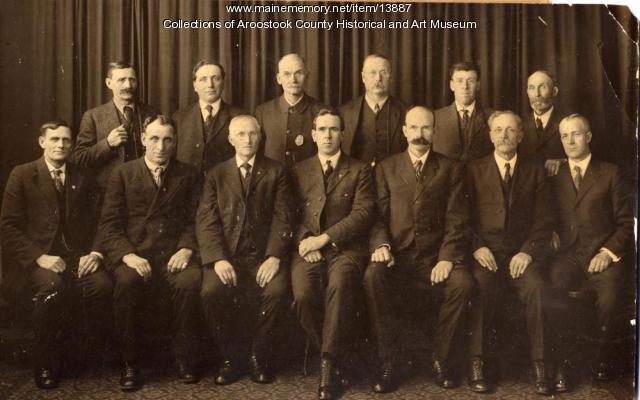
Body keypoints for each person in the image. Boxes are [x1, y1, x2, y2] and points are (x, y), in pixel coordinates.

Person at [363, 106, 473, 393]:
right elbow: (377, 217)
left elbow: (458, 219)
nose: (419, 135)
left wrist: (447, 258)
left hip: (435, 258)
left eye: (425, 129)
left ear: (434, 131)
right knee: (373, 276)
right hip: (398, 257)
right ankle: (390, 360)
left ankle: (440, 357)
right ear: (404, 131)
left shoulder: (451, 168)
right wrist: (382, 246)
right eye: (413, 128)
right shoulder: (386, 167)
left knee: (462, 284)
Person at [0, 120, 111, 389]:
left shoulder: (83, 175)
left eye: (66, 140)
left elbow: (102, 222)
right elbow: (8, 225)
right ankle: (45, 363)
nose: (61, 145)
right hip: (37, 261)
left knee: (101, 285)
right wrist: (40, 257)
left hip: (76, 257)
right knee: (53, 288)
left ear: (72, 144)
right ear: (42, 142)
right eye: (54, 139)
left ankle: (75, 356)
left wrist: (95, 253)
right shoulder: (23, 174)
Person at [98, 115, 202, 391]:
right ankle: (130, 362)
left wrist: (186, 249)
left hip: (172, 254)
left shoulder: (189, 174)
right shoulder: (122, 174)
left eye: (168, 139)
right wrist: (127, 255)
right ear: (143, 139)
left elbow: (195, 220)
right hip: (134, 253)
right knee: (127, 282)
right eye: (154, 138)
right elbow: (109, 224)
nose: (160, 146)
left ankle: (184, 358)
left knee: (190, 282)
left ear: (176, 142)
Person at [197, 115, 294, 385]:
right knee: (210, 291)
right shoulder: (215, 174)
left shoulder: (277, 171)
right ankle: (231, 357)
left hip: (264, 256)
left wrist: (274, 256)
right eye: (240, 134)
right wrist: (217, 259)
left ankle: (258, 356)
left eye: (252, 134)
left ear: (261, 137)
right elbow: (206, 220)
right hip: (227, 256)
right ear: (230, 139)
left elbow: (284, 217)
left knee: (276, 291)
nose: (247, 140)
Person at [291, 108, 375, 400]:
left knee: (339, 287)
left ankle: (327, 364)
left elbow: (363, 213)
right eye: (322, 129)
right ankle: (337, 357)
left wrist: (324, 240)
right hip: (308, 250)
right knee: (302, 295)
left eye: (334, 129)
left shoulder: (360, 169)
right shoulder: (299, 169)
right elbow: (292, 213)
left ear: (343, 133)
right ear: (313, 134)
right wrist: (305, 241)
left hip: (346, 249)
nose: (328, 135)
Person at [466, 111, 553, 395]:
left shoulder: (535, 170)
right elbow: (461, 219)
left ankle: (542, 364)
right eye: (498, 130)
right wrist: (477, 245)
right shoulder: (473, 169)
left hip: (521, 255)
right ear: (490, 135)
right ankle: (477, 363)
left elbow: (544, 221)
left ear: (521, 135)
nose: (504, 135)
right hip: (486, 255)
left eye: (510, 130)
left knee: (537, 288)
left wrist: (527, 252)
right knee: (479, 286)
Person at [547, 114, 633, 390]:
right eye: (564, 136)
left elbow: (625, 224)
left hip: (602, 253)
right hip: (569, 255)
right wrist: (550, 234)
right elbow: (544, 214)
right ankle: (563, 364)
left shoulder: (610, 172)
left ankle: (602, 360)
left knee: (608, 299)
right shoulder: (554, 173)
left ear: (589, 136)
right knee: (552, 289)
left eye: (576, 134)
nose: (570, 141)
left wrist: (607, 252)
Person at [71, 61, 158, 191]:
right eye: (121, 80)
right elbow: (79, 159)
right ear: (109, 83)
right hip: (109, 192)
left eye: (132, 80)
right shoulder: (93, 116)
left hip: (146, 189)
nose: (128, 85)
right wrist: (107, 144)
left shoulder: (152, 113)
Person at [172, 60, 245, 173]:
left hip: (223, 185)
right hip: (188, 187)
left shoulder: (239, 116)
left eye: (215, 78)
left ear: (223, 83)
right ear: (195, 85)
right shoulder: (179, 117)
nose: (210, 85)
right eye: (203, 79)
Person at [255, 53, 327, 168]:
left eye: (298, 73)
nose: (293, 80)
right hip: (273, 183)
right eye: (287, 74)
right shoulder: (263, 112)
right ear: (279, 79)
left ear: (307, 75)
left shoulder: (322, 111)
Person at [339, 54, 406, 165]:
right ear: (363, 77)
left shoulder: (406, 112)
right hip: (357, 180)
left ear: (391, 77)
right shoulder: (344, 112)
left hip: (393, 180)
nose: (378, 78)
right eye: (373, 73)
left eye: (383, 72)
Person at [433, 62, 493, 162]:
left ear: (478, 85)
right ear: (452, 85)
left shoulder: (492, 116)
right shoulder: (436, 117)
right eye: (459, 81)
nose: (465, 86)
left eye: (470, 81)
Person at [519, 70, 567, 176]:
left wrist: (563, 162)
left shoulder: (567, 122)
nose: (537, 94)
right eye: (532, 88)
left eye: (542, 87)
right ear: (527, 92)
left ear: (554, 91)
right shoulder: (519, 124)